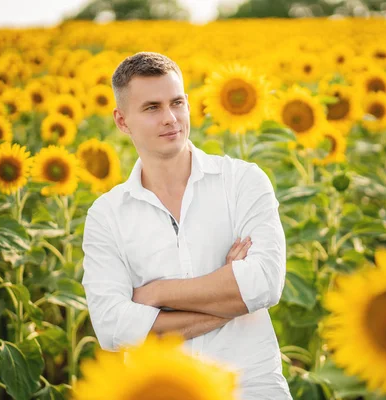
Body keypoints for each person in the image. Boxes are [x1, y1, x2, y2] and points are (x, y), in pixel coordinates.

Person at [81, 52, 292, 399]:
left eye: (177, 102)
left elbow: (265, 284)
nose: (170, 119)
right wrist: (230, 296)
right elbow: (112, 326)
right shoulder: (107, 215)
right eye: (152, 108)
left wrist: (157, 294)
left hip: (249, 388)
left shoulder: (241, 181)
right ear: (122, 121)